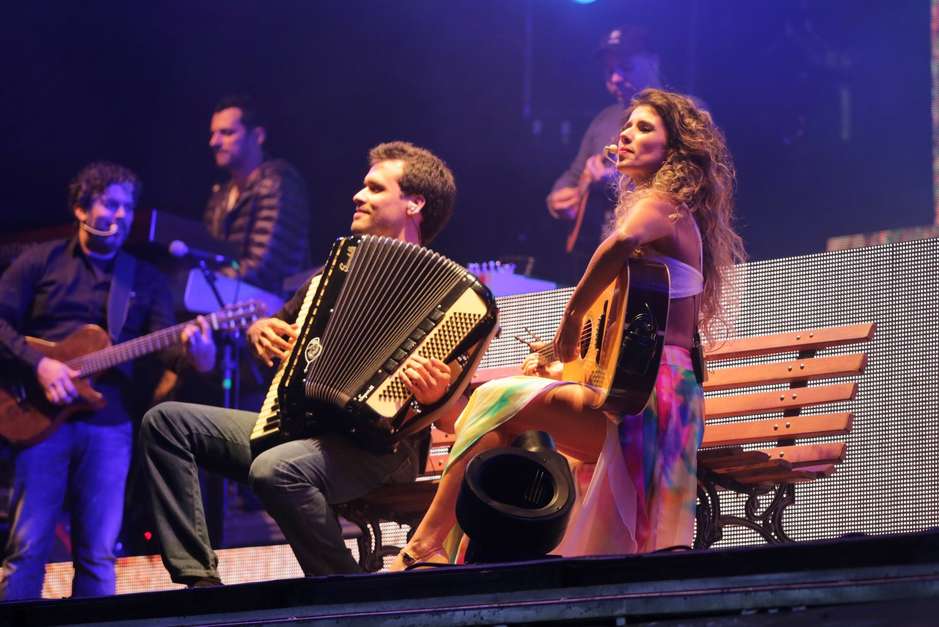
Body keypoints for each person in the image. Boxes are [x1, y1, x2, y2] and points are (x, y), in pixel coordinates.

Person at [390, 89, 746, 569]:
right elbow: (619, 355)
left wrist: (571, 320)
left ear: (674, 150)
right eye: (627, 126)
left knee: (495, 400)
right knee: (501, 410)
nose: (626, 134)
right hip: (643, 398)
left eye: (644, 128)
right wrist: (563, 363)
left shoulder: (664, 204)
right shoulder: (664, 216)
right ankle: (458, 553)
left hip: (654, 406)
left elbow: (619, 243)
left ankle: (431, 546)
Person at [139, 141, 460, 585]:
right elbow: (275, 326)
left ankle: (347, 594)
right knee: (167, 423)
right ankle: (201, 584)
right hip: (302, 431)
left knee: (275, 469)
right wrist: (259, 332)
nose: (357, 195)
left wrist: (435, 396)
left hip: (382, 448)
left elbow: (456, 409)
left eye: (373, 188)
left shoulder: (449, 295)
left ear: (414, 203)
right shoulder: (332, 275)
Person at [0, 162, 216, 600]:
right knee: (26, 548)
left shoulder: (144, 278)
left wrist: (199, 353)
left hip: (110, 426)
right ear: (81, 208)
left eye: (128, 207)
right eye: (110, 204)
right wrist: (41, 366)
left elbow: (167, 349)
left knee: (98, 554)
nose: (121, 215)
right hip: (38, 416)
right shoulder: (39, 262)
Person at [546, 25, 663, 282]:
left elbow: (687, 189)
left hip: (656, 260)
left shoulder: (681, 116)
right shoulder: (604, 120)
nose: (616, 78)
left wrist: (613, 179)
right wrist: (560, 198)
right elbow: (573, 175)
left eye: (626, 67)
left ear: (653, 62)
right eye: (610, 71)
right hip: (601, 259)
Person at [204, 95, 311, 293]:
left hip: (275, 311)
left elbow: (267, 267)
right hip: (228, 305)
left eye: (226, 133)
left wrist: (207, 281)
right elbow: (209, 256)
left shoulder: (278, 182)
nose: (214, 142)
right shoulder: (221, 194)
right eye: (213, 134)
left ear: (258, 136)